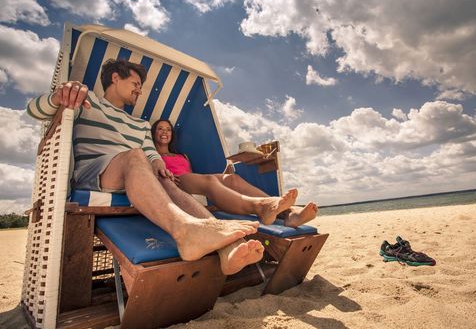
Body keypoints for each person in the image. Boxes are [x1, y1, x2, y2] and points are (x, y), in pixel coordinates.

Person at [27, 59, 264, 275]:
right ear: (115, 78)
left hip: (137, 174)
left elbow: (152, 154)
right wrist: (59, 96)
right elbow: (35, 111)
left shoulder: (140, 124)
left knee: (163, 178)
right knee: (135, 156)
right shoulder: (88, 101)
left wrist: (160, 165)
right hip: (98, 172)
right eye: (136, 83)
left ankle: (230, 249)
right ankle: (184, 231)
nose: (139, 90)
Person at [152, 119, 318, 227]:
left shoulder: (183, 156)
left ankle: (290, 215)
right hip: (175, 181)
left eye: (168, 129)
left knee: (232, 178)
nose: (165, 132)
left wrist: (223, 177)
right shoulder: (152, 155)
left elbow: (194, 177)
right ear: (154, 133)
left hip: (190, 180)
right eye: (160, 129)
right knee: (210, 180)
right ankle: (262, 208)